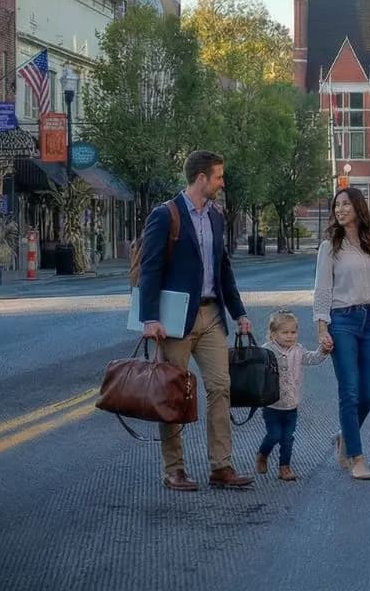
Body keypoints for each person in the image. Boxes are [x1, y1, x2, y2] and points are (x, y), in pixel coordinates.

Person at [138, 150, 255, 492]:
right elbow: (150, 268)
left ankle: (221, 466)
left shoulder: (217, 216)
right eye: (218, 176)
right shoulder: (166, 215)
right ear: (201, 178)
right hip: (176, 320)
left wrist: (239, 313)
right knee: (174, 395)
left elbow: (224, 270)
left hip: (212, 315)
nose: (222, 182)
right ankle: (174, 468)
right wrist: (150, 318)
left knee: (220, 388)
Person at [313, 186, 370, 481]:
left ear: (359, 208)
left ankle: (344, 436)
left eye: (346, 204)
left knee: (369, 392)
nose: (340, 209)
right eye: (337, 205)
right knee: (349, 391)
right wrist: (322, 327)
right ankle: (356, 457)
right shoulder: (330, 246)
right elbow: (322, 290)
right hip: (342, 321)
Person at [256, 310, 329, 482]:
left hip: (291, 405)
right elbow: (257, 368)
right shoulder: (268, 350)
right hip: (272, 404)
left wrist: (323, 350)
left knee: (287, 438)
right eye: (285, 332)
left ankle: (284, 467)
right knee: (274, 435)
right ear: (273, 334)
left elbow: (312, 359)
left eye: (293, 332)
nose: (290, 336)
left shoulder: (298, 350)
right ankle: (263, 454)